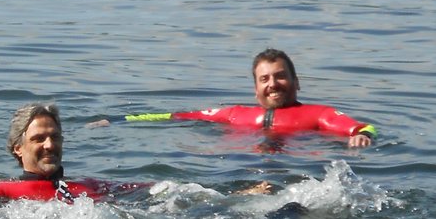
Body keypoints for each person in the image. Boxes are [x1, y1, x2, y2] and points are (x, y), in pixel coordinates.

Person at [160, 49, 375, 148]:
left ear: (296, 82)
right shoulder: (234, 114)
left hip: (294, 173)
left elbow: (363, 128)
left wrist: (362, 136)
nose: (272, 84)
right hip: (238, 170)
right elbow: (180, 116)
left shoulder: (319, 114)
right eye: (265, 79)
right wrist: (131, 118)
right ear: (256, 89)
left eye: (280, 76)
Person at [0, 102, 149, 205]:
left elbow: (157, 190)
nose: (50, 145)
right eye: (39, 138)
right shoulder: (4, 191)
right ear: (18, 147)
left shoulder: (90, 185)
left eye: (55, 137)